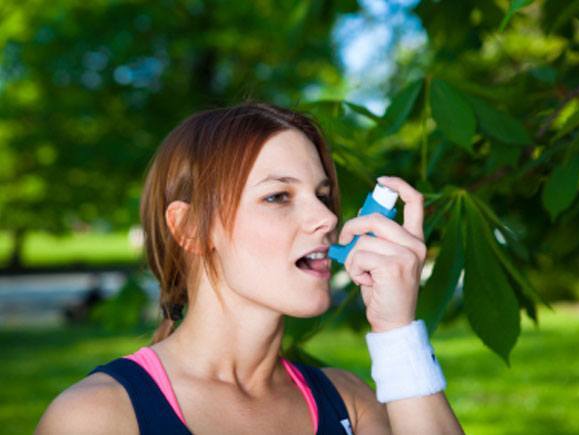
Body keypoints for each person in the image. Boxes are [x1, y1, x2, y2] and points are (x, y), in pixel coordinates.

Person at [35, 101, 464, 434]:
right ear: (190, 228)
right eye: (279, 196)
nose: (328, 218)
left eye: (321, 194)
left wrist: (396, 334)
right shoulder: (97, 417)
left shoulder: (349, 402)